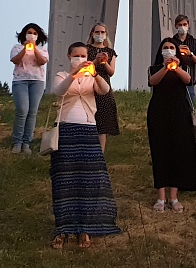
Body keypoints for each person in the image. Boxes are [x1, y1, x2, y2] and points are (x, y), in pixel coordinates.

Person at [50, 42, 120, 249]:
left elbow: (105, 90)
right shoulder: (62, 75)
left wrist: (95, 74)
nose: (80, 58)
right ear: (69, 56)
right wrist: (74, 73)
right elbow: (59, 91)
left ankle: (85, 229)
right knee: (64, 180)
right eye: (76, 55)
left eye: (83, 55)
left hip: (89, 129)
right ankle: (63, 228)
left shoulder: (91, 76)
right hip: (66, 130)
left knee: (88, 180)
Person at [147, 37, 196, 213]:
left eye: (172, 47)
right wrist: (165, 67)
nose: (169, 50)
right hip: (158, 112)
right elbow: (153, 82)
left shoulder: (184, 67)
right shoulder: (154, 68)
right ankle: (160, 197)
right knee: (160, 152)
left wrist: (176, 67)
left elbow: (187, 80)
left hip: (180, 111)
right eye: (166, 47)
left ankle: (174, 197)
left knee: (178, 151)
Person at [10, 23, 49, 154]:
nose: (32, 35)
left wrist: (34, 49)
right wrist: (25, 48)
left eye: (34, 33)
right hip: (20, 81)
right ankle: (17, 142)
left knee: (32, 111)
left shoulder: (42, 49)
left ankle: (27, 142)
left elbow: (42, 61)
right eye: (29, 32)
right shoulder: (17, 47)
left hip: (37, 81)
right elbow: (15, 60)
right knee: (22, 110)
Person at [86, 22, 119, 152]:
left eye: (102, 32)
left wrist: (104, 62)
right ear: (92, 34)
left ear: (106, 35)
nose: (100, 35)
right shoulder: (86, 49)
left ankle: (100, 153)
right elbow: (83, 67)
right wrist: (95, 61)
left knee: (103, 124)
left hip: (104, 86)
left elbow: (111, 72)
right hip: (88, 85)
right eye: (97, 32)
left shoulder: (110, 52)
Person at [172, 14, 196, 101]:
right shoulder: (171, 42)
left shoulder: (194, 42)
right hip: (174, 81)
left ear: (188, 25)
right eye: (180, 25)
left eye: (184, 24)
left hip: (189, 82)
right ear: (176, 26)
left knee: (189, 109)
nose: (182, 27)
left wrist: (190, 54)